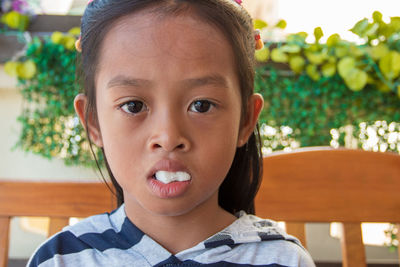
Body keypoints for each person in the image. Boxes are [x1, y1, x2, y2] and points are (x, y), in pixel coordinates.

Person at [28, 0, 315, 266]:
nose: (168, 137)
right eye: (133, 105)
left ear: (246, 120)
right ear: (92, 121)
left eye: (201, 105)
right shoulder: (61, 259)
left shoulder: (282, 260)